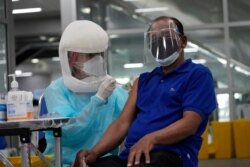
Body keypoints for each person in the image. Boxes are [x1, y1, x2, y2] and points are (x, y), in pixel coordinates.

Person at [73, 16, 217, 167]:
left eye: (166, 36)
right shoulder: (143, 81)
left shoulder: (197, 75)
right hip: (132, 155)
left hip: (171, 155)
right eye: (153, 39)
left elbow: (190, 124)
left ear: (183, 41)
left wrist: (152, 139)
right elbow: (122, 124)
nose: (159, 43)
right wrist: (94, 152)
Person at [43, 20, 128, 166]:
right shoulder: (56, 90)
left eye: (99, 54)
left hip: (102, 161)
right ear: (72, 58)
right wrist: (98, 100)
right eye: (90, 55)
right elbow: (69, 132)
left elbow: (131, 119)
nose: (98, 60)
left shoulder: (111, 91)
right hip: (63, 162)